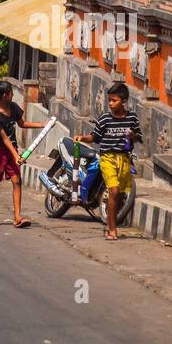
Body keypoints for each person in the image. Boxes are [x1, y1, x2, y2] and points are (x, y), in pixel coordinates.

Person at [73, 81, 142, 241]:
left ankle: (111, 221)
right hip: (107, 158)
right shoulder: (105, 118)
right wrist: (82, 137)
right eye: (109, 100)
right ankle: (112, 229)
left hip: (124, 159)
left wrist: (133, 136)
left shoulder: (132, 118)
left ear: (123, 101)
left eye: (114, 100)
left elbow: (139, 137)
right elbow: (95, 136)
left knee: (122, 195)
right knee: (114, 191)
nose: (111, 104)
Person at [0, 79, 45, 228]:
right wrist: (16, 155)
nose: (13, 94)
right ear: (4, 95)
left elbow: (22, 123)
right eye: (11, 92)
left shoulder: (13, 107)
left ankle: (18, 217)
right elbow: (5, 139)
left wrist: (42, 125)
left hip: (12, 149)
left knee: (16, 181)